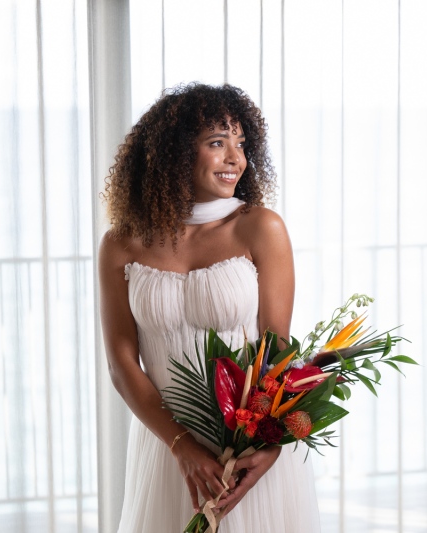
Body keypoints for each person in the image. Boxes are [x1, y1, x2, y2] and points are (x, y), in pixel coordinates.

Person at [98, 83, 320, 532]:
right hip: (167, 448)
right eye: (217, 143)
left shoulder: (260, 228)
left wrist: (270, 445)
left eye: (241, 144)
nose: (235, 158)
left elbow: (276, 349)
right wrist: (179, 444)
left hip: (245, 452)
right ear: (175, 153)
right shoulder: (121, 244)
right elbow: (122, 363)